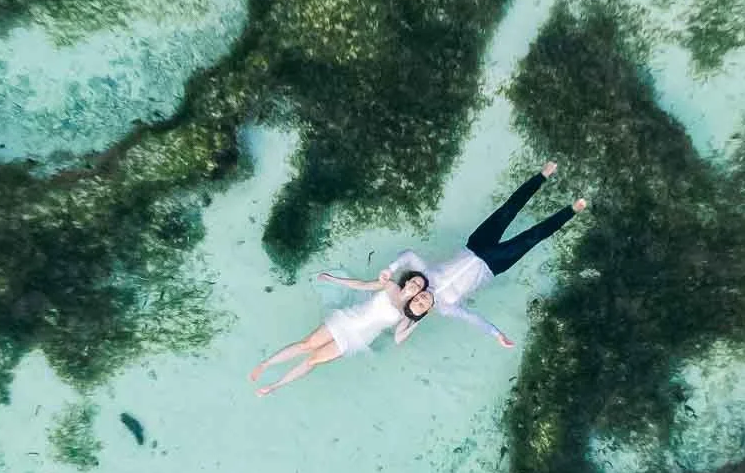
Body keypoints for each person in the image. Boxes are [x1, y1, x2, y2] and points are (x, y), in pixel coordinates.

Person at [389, 161, 585, 348]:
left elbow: (408, 255)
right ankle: (571, 210)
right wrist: (497, 334)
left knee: (508, 209)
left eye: (416, 299)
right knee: (532, 237)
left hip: (475, 244)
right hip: (492, 265)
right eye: (421, 305)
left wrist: (390, 270)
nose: (421, 299)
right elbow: (474, 319)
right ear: (427, 311)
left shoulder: (425, 276)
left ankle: (542, 175)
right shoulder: (447, 308)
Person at [249, 270, 434, 396]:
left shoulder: (405, 314)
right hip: (347, 319)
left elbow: (399, 338)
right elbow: (361, 285)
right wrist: (333, 279)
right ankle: (266, 364)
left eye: (419, 287)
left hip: (358, 338)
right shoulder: (390, 286)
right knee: (307, 344)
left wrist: (420, 318)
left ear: (418, 294)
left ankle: (275, 386)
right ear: (407, 280)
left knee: (313, 360)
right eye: (414, 281)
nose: (415, 285)